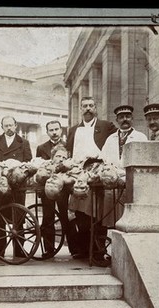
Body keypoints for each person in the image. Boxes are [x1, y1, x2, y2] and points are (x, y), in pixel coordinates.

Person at [66, 96, 118, 267]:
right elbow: (68, 153)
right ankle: (83, 249)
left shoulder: (106, 126)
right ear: (80, 109)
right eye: (84, 106)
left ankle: (98, 251)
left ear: (96, 108)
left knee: (97, 214)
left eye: (91, 106)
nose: (88, 109)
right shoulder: (73, 130)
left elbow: (115, 144)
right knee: (80, 215)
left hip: (97, 176)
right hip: (78, 175)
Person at [0, 115, 32, 260]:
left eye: (11, 125)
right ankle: (0, 252)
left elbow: (29, 163)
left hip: (18, 186)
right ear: (2, 127)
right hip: (0, 186)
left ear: (16, 125)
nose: (9, 128)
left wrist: (18, 170)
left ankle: (20, 251)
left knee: (19, 217)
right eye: (6, 125)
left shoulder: (23, 142)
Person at [100, 105, 148, 227]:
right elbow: (103, 159)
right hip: (113, 184)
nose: (124, 119)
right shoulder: (110, 139)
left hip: (131, 183)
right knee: (112, 219)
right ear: (117, 120)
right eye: (121, 117)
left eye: (127, 116)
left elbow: (144, 162)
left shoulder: (140, 137)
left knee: (130, 222)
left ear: (132, 118)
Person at [36, 121, 77, 258]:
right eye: (51, 130)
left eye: (56, 129)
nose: (54, 132)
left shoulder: (68, 146)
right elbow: (38, 168)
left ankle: (74, 249)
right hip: (47, 187)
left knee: (67, 216)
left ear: (61, 130)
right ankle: (49, 249)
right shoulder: (41, 148)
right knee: (48, 217)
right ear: (47, 132)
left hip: (64, 187)